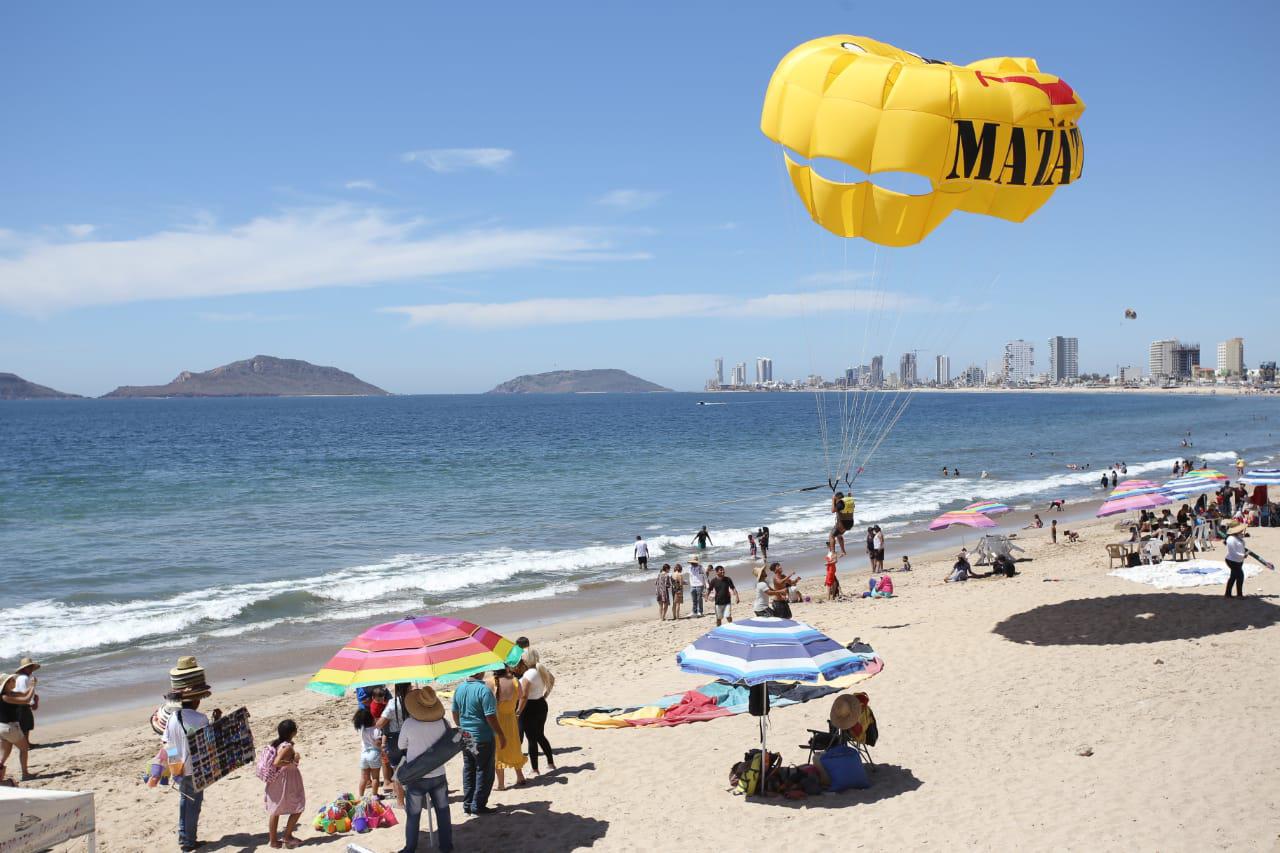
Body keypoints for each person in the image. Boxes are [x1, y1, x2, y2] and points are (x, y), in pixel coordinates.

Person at [164, 657, 217, 852]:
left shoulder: (172, 718)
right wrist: (215, 722)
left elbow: (167, 743)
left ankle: (183, 836)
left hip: (178, 767)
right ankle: (189, 842)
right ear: (196, 699)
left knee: (184, 801)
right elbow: (208, 743)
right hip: (194, 769)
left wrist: (174, 763)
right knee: (194, 805)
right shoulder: (200, 718)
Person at [399, 686, 454, 853]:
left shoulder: (409, 724)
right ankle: (446, 846)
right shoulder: (443, 722)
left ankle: (410, 848)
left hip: (417, 775)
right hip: (438, 773)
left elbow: (401, 745)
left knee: (413, 814)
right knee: (443, 811)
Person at [453, 670, 503, 815]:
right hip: (482, 736)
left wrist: (462, 727)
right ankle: (478, 805)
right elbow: (490, 716)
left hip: (467, 735)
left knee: (469, 769)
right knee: (484, 771)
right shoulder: (484, 690)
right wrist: (500, 734)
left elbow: (455, 712)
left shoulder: (460, 688)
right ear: (480, 672)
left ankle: (468, 804)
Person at [263, 719, 305, 849]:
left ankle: (273, 841)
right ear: (292, 732)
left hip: (276, 780)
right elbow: (277, 762)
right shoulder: (287, 747)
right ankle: (287, 836)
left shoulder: (277, 743)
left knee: (275, 810)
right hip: (286, 780)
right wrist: (292, 762)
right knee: (299, 805)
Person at [518, 650, 555, 775]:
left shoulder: (529, 674)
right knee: (540, 735)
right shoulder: (541, 669)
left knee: (532, 739)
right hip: (541, 703)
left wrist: (518, 711)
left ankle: (535, 769)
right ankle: (550, 763)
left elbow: (524, 696)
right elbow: (552, 680)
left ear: (526, 660)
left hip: (530, 707)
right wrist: (545, 695)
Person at [490, 668, 526, 791]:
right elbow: (521, 696)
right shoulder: (515, 680)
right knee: (514, 746)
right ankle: (520, 776)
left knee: (498, 751)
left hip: (497, 719)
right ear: (506, 668)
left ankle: (501, 784)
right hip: (511, 718)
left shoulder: (490, 682)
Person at [378, 682, 412, 807]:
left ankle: (400, 802)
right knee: (412, 768)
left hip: (395, 738)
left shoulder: (393, 703)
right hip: (411, 736)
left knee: (397, 771)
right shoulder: (412, 701)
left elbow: (380, 723)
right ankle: (415, 799)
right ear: (408, 687)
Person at [1223, 521, 1275, 598]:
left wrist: (1244, 553)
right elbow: (1233, 552)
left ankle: (1228, 594)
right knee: (1240, 576)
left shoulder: (1237, 537)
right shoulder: (1231, 539)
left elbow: (1241, 548)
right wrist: (1243, 555)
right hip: (1232, 561)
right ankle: (1239, 595)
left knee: (1233, 576)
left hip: (1238, 560)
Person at [0, 671, 35, 784]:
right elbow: (26, 700)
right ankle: (25, 774)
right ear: (6, 684)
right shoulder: (5, 696)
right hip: (9, 727)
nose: (14, 681)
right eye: (12, 680)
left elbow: (24, 694)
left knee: (4, 755)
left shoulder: (10, 693)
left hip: (3, 728)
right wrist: (32, 686)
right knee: (24, 748)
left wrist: (31, 686)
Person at [354, 707, 383, 797]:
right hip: (374, 754)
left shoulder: (362, 729)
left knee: (363, 778)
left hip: (364, 754)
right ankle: (374, 795)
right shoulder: (376, 730)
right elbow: (378, 743)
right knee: (375, 777)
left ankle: (361, 796)